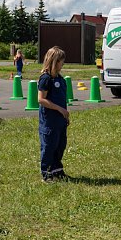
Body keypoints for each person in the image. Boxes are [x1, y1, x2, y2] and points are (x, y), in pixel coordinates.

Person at [38, 46, 70, 181]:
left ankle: (57, 169)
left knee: (60, 144)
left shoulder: (60, 79)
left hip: (60, 120)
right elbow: (41, 99)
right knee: (49, 145)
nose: (62, 64)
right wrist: (59, 109)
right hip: (50, 120)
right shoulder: (46, 79)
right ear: (54, 61)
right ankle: (46, 172)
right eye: (60, 61)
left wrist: (65, 114)